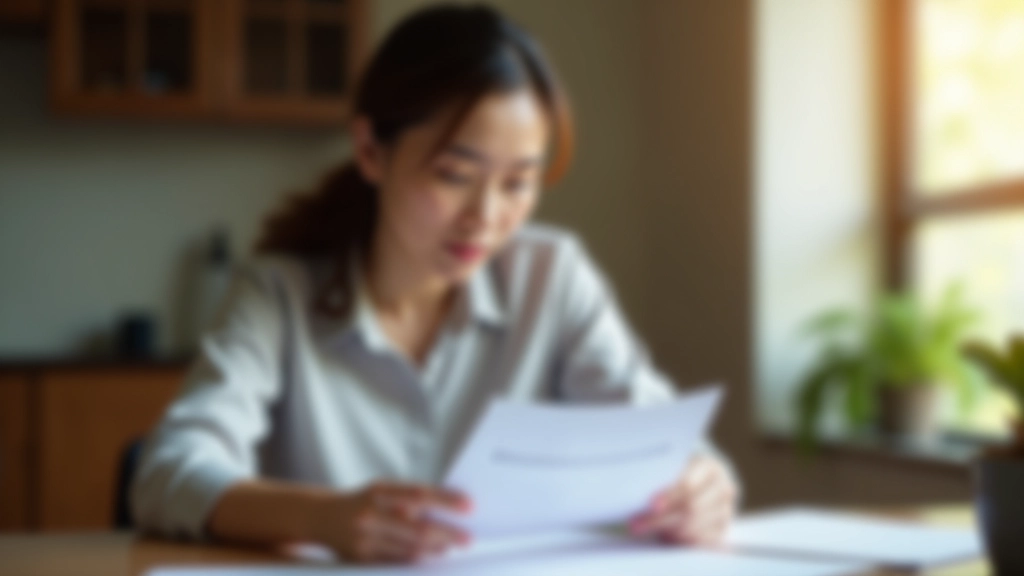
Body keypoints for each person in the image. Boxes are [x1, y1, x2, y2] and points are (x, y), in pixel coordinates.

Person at [131, 3, 739, 565]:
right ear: (370, 150)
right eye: (454, 175)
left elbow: (660, 434)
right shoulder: (277, 297)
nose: (486, 216)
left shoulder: (552, 277)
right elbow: (167, 474)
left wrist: (701, 483)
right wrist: (324, 517)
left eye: (518, 183)